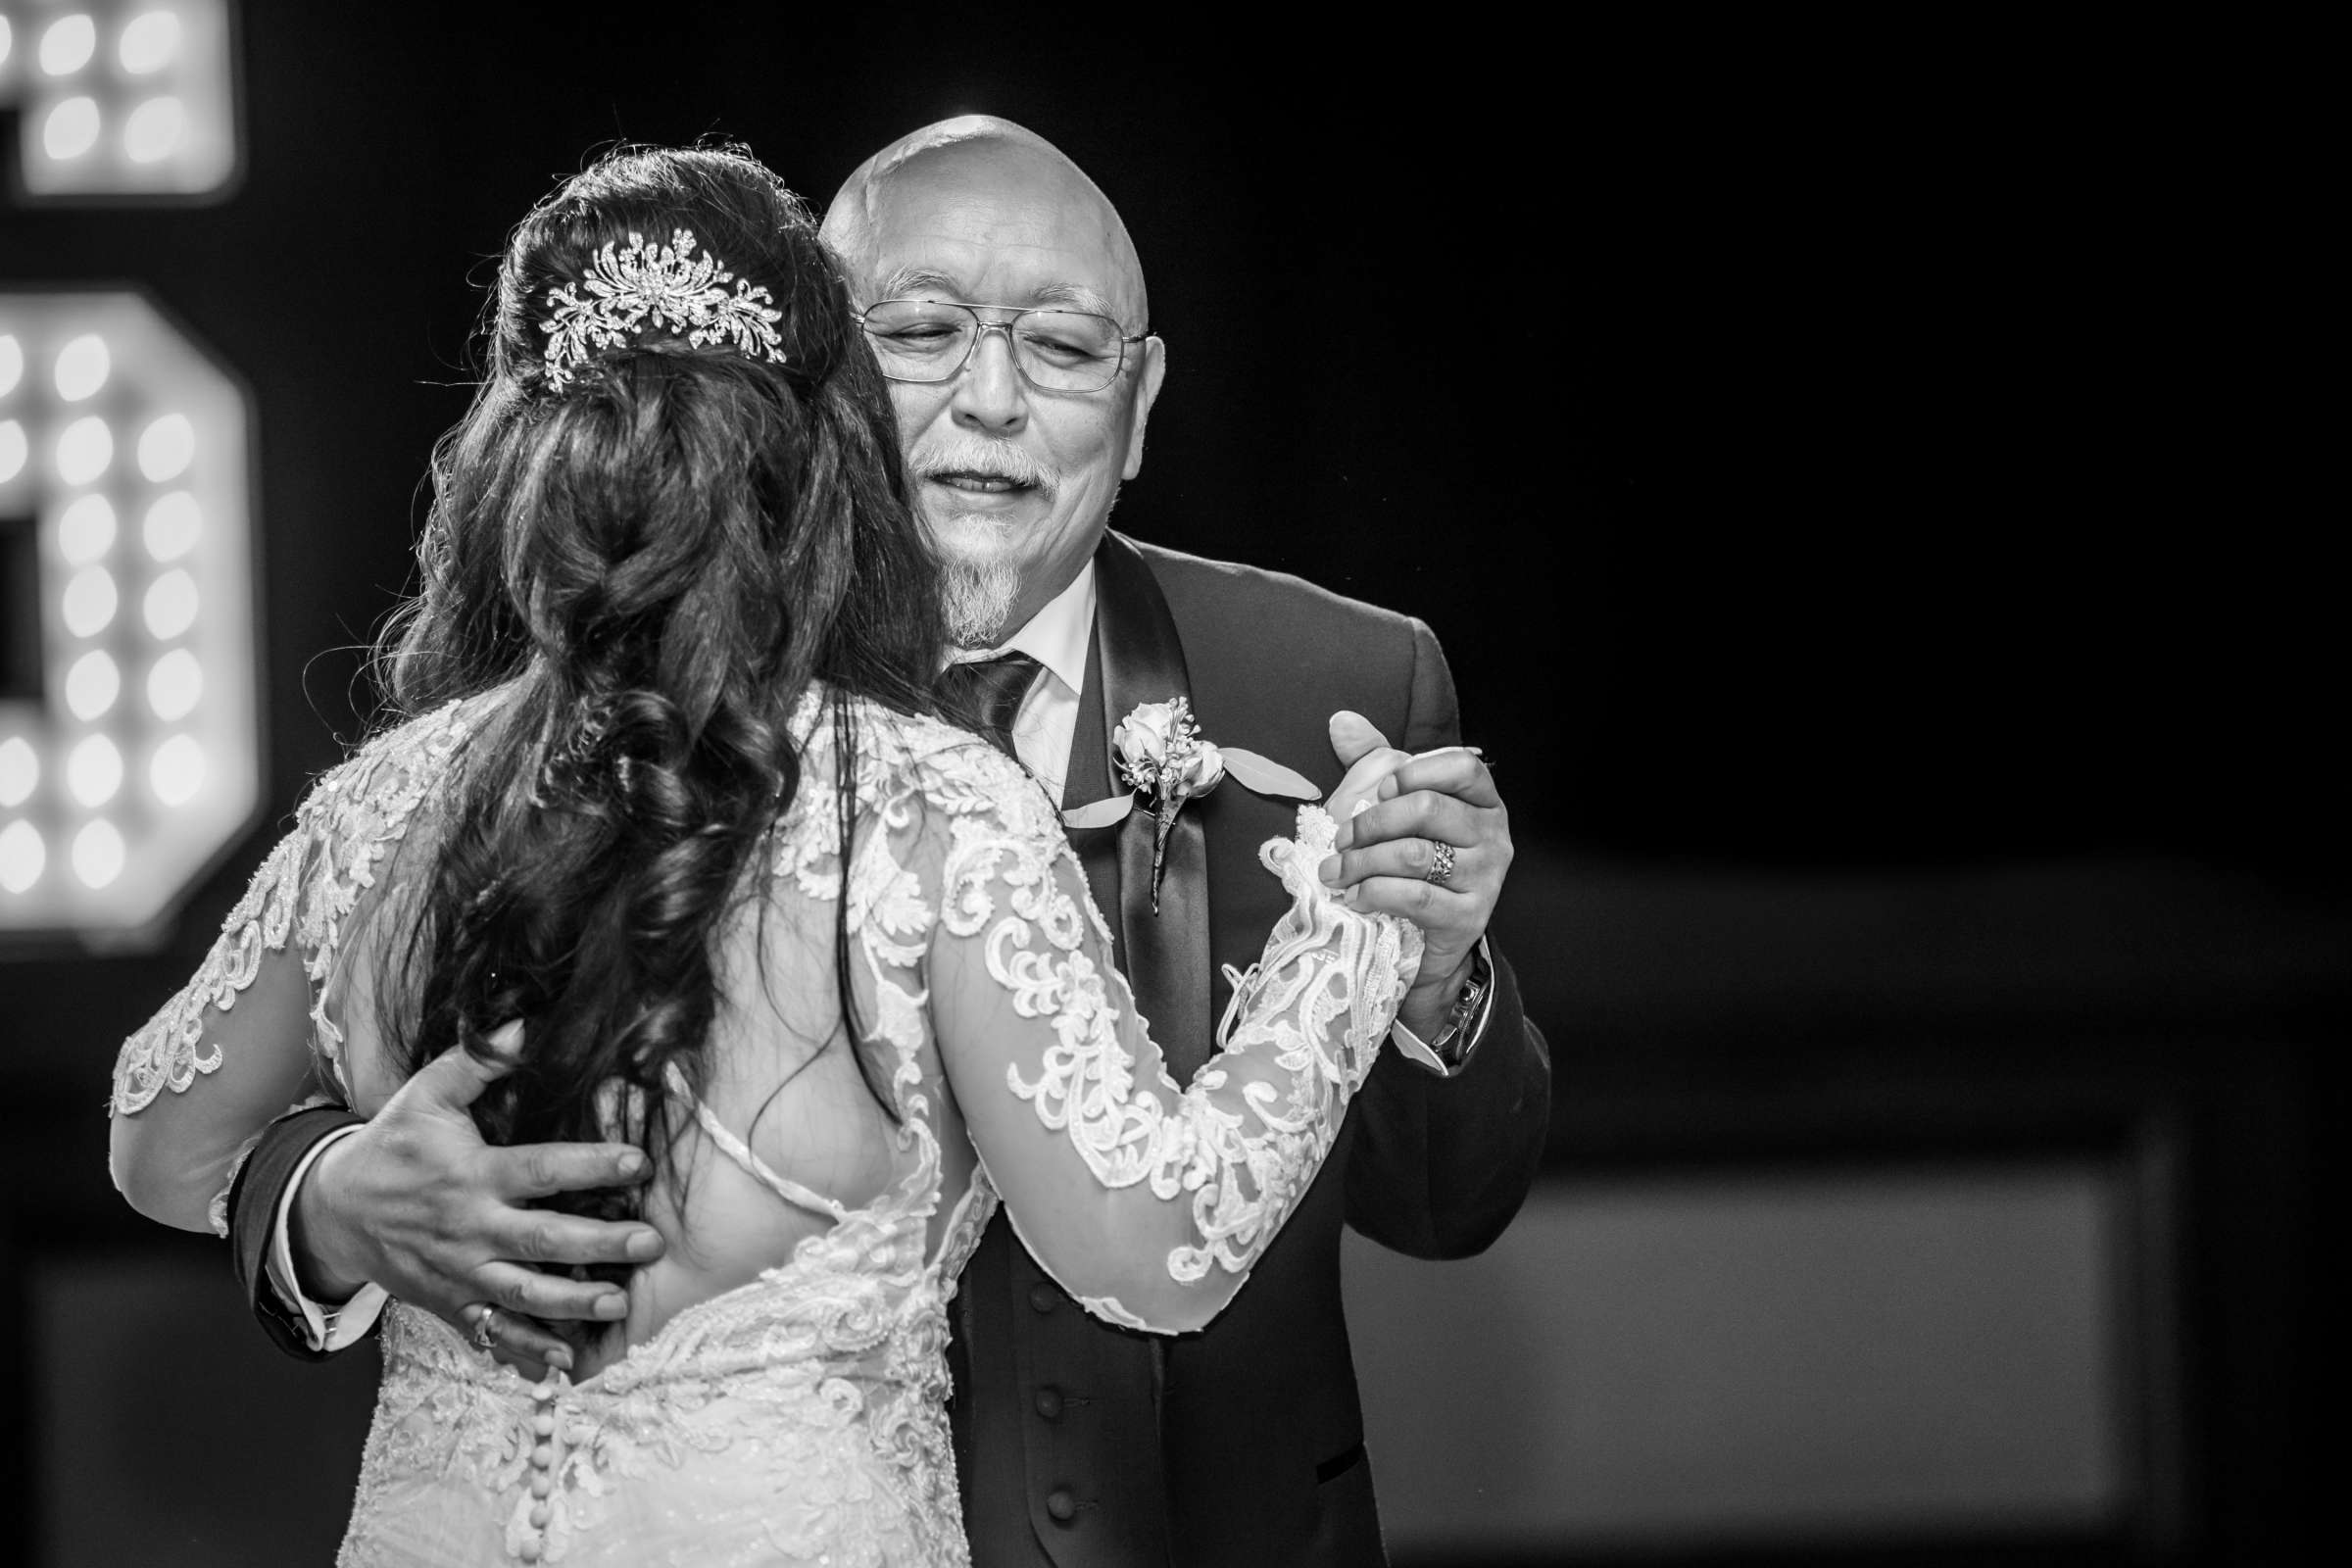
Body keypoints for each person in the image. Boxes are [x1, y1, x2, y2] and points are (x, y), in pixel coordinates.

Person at [210, 120, 1552, 1566]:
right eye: (922, 331)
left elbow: (1446, 1206)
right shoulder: (599, 686)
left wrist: (1437, 981)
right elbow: (257, 1085)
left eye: (1061, 347)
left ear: (1142, 396)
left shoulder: (1332, 679)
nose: (991, 400)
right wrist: (332, 1205)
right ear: (815, 389)